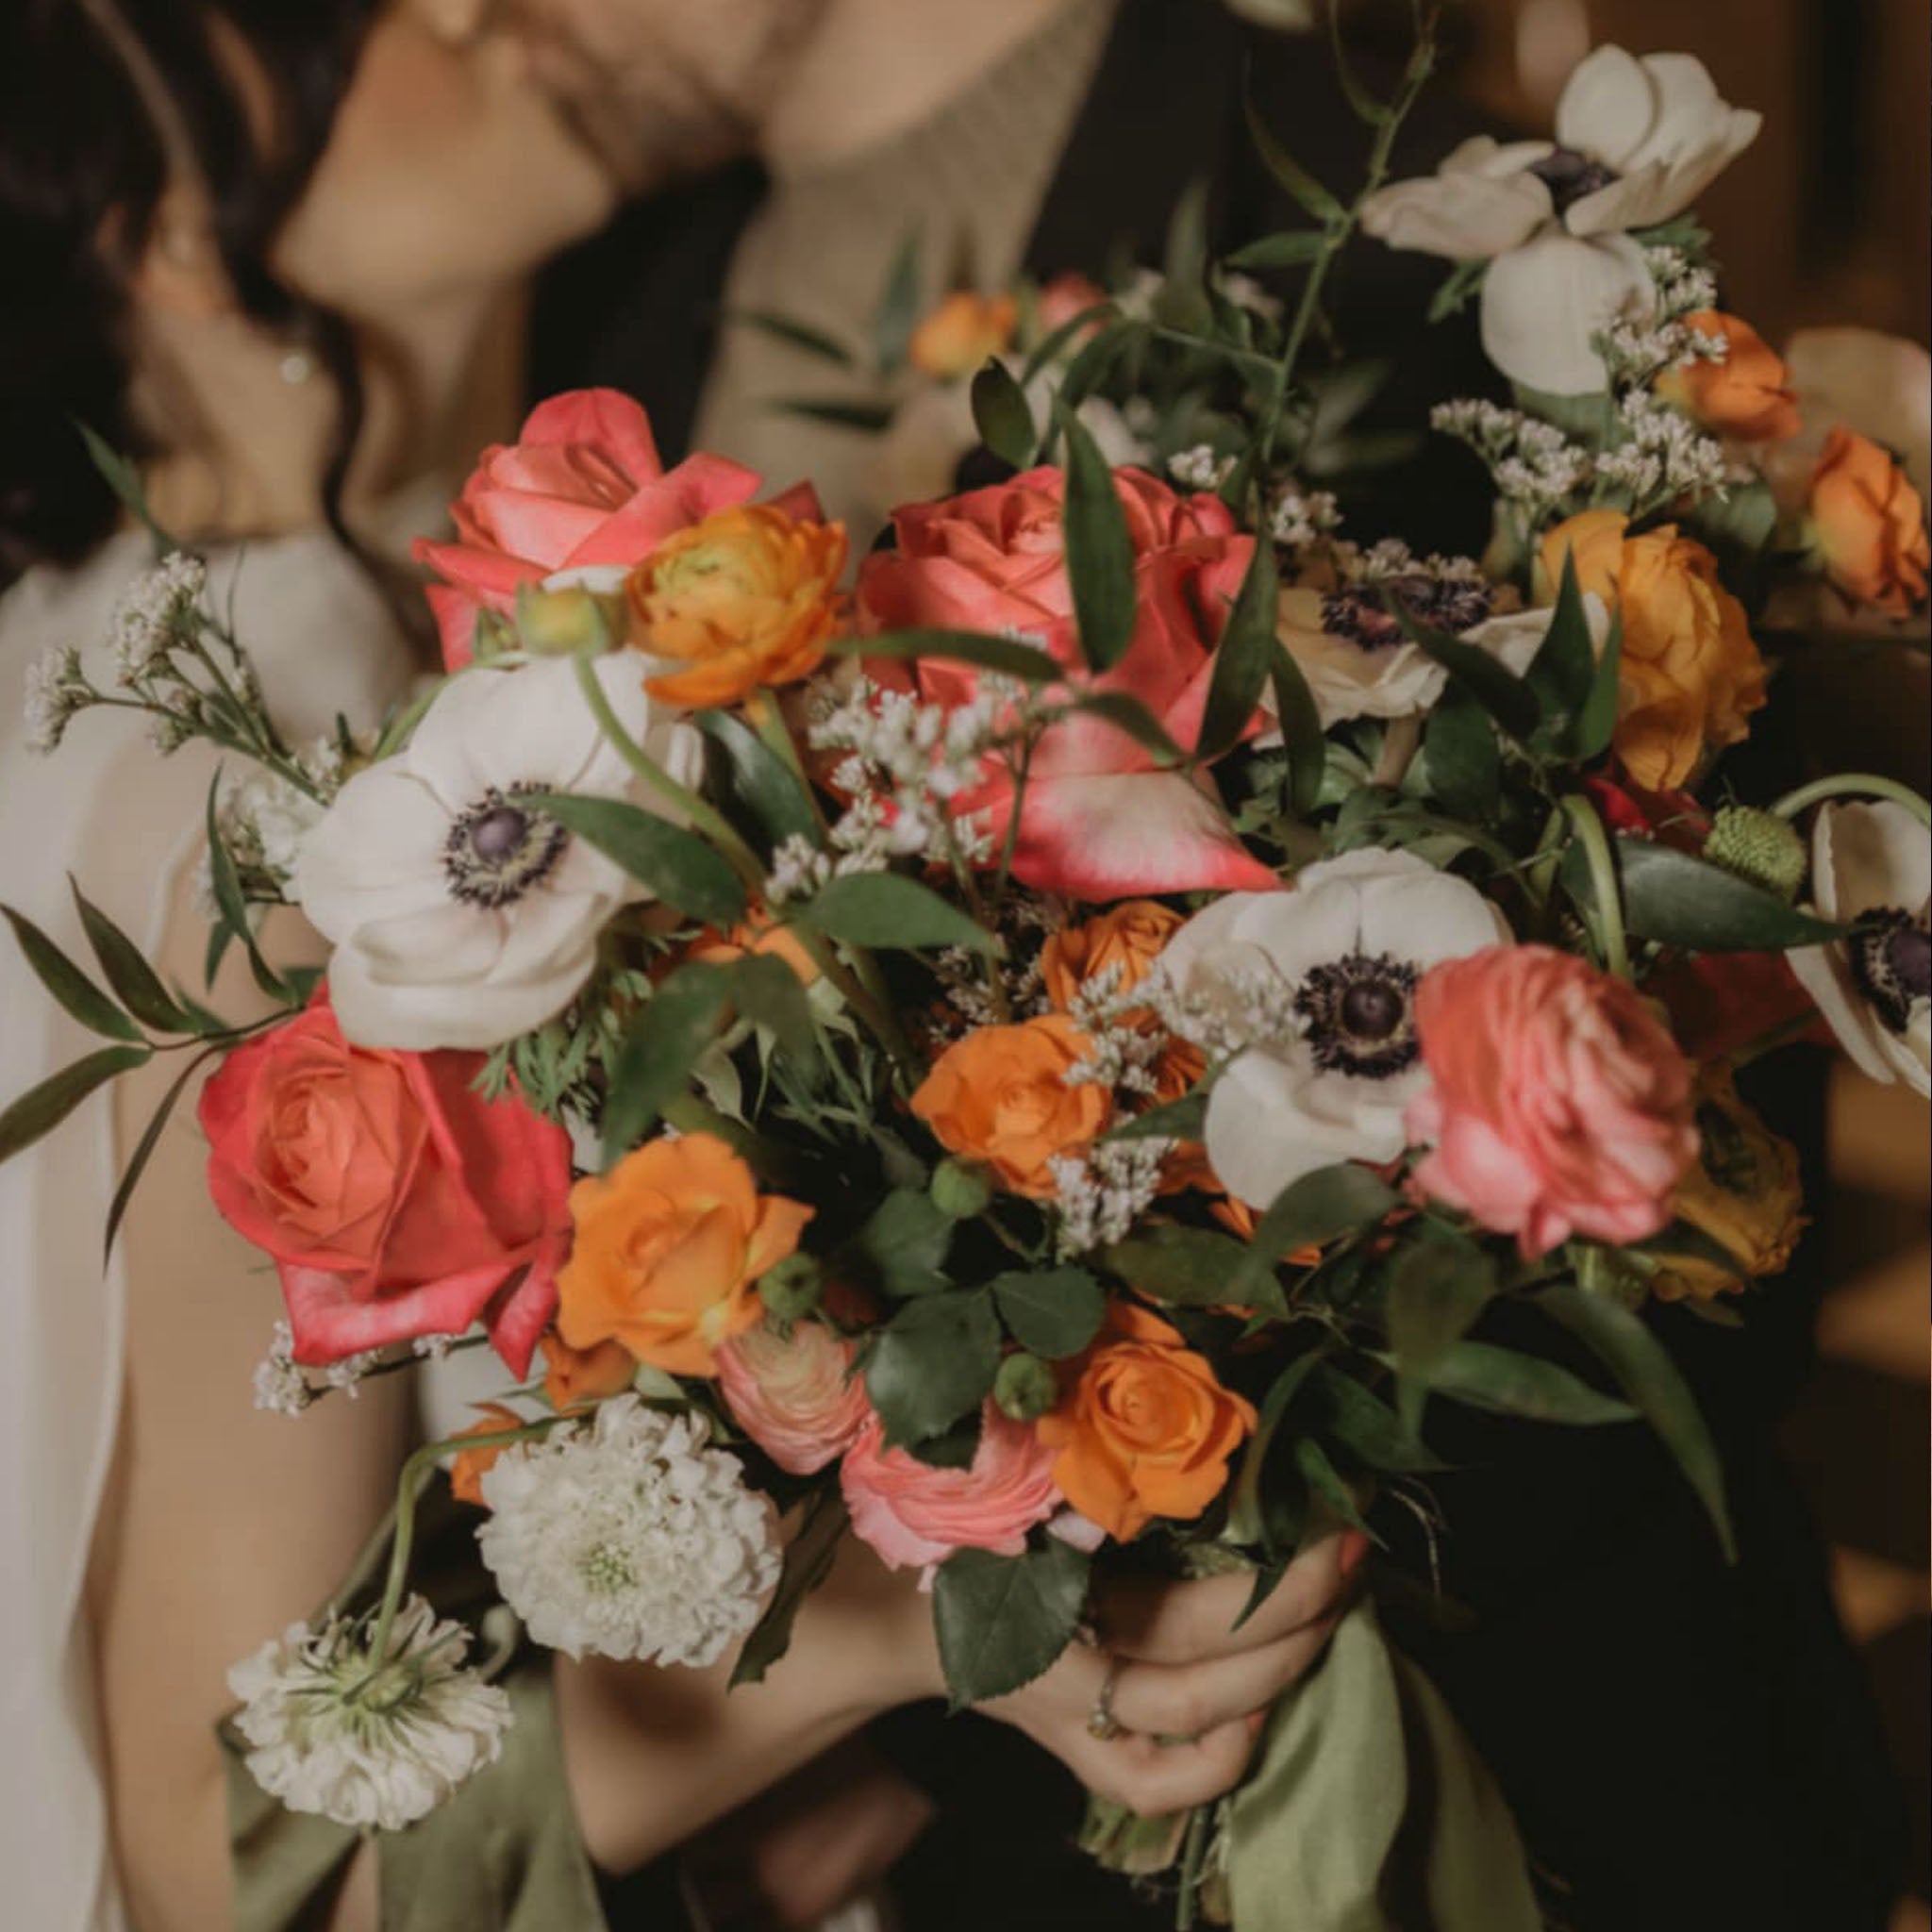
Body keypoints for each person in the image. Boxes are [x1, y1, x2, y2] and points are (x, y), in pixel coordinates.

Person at [510, 4, 1910, 1928]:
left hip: (1500, 1789)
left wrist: (915, 1731)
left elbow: (1652, 1161)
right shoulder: (642, 284)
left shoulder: (1371, 236)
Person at [0, 6, 1362, 1930]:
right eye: (343, 23)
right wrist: (892, 1640)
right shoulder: (267, 799)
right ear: (167, 222)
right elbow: (234, 1870)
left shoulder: (178, 669)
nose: (472, 13)